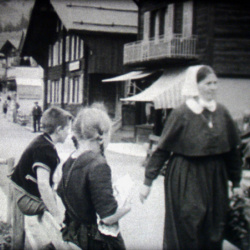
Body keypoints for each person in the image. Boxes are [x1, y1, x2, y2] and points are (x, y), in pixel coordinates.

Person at [139, 65, 243, 250]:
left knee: (214, 227)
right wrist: (148, 182)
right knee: (189, 224)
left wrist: (235, 183)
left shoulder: (221, 113)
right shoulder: (181, 113)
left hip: (215, 178)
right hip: (187, 176)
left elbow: (232, 151)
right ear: (195, 86)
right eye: (208, 83)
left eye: (215, 83)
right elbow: (162, 149)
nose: (213, 88)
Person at [57, 104, 131, 250]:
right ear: (101, 137)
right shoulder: (98, 165)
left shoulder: (70, 160)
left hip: (73, 233)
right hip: (92, 241)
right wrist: (126, 206)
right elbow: (108, 217)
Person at [10, 107, 73, 225]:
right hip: (25, 198)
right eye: (67, 129)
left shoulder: (43, 141)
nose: (68, 133)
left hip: (22, 193)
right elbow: (43, 185)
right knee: (62, 210)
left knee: (57, 199)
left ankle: (56, 237)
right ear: (59, 130)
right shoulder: (45, 149)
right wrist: (57, 215)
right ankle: (61, 238)